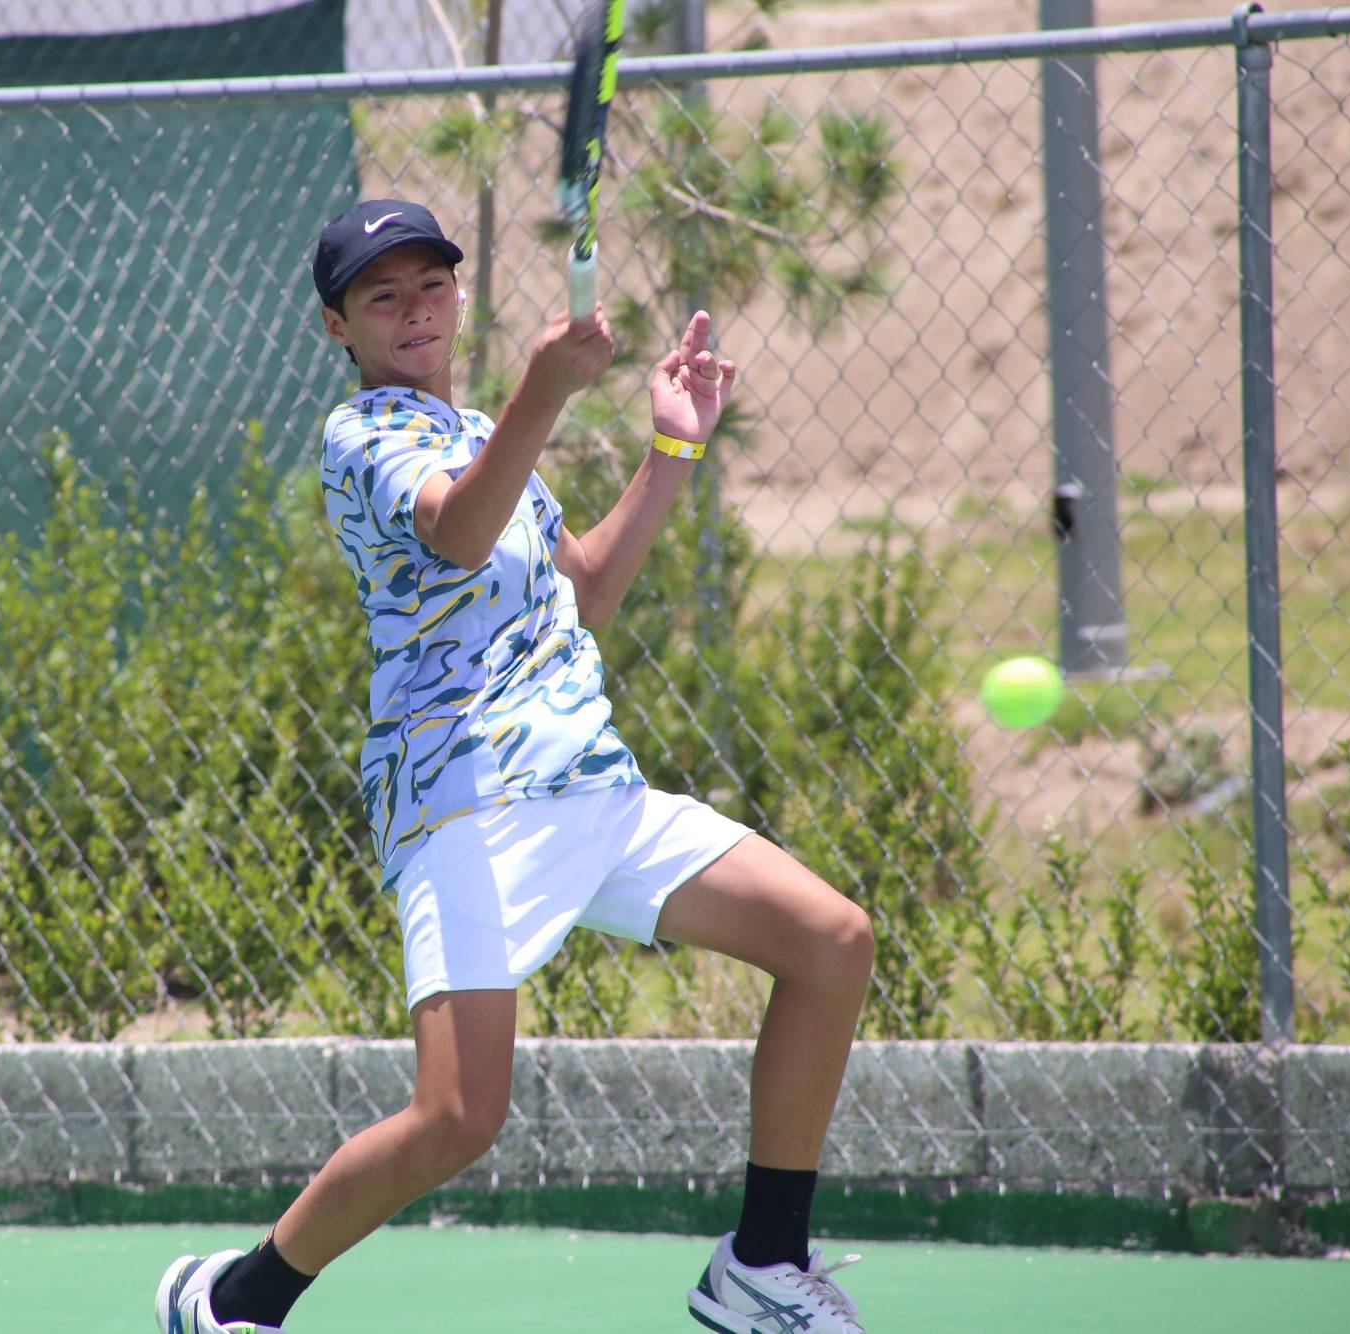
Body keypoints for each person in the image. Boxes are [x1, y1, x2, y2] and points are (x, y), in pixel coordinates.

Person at [155, 199, 874, 1334]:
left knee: (830, 939)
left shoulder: (482, 425)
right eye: (379, 295)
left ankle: (761, 1264)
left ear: (456, 292)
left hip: (591, 784)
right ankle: (235, 1298)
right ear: (334, 325)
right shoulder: (367, 440)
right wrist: (546, 392)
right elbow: (454, 531)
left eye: (428, 284)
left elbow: (580, 587)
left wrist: (672, 444)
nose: (413, 309)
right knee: (456, 1115)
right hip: (466, 804)